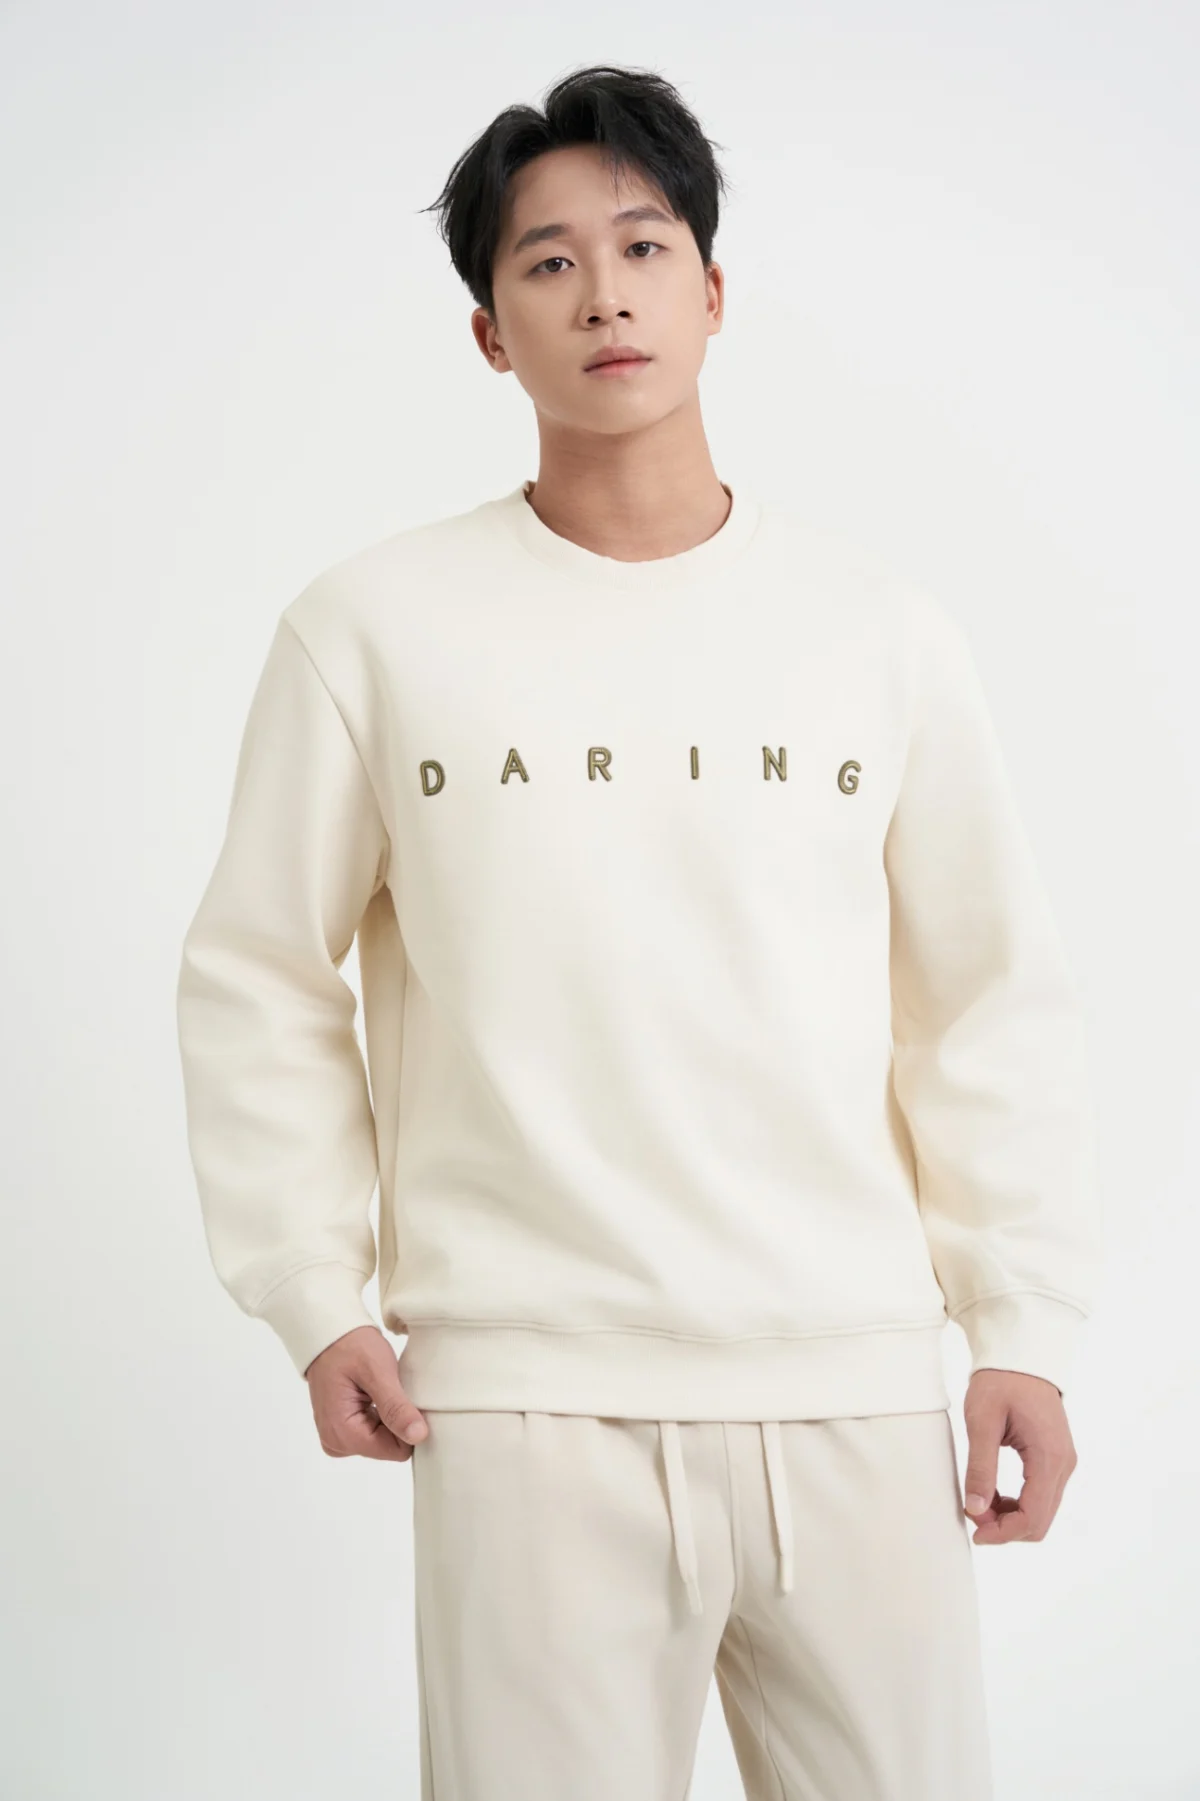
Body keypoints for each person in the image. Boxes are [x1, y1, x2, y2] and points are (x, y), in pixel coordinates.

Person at [175, 61, 1103, 1801]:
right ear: (488, 333)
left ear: (714, 291)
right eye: (548, 263)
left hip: (851, 1385)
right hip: (524, 1404)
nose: (604, 294)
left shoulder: (880, 634)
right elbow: (257, 974)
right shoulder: (371, 630)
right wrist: (311, 1291)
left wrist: (1022, 1327)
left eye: (644, 245)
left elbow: (986, 1001)